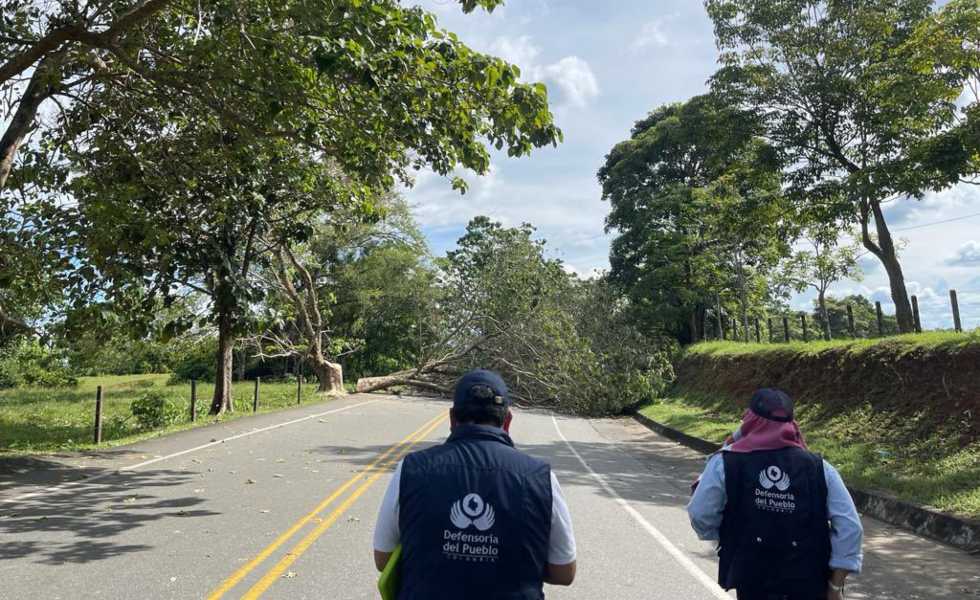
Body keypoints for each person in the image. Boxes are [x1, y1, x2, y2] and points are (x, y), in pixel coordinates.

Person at [373, 369, 577, 599]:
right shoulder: (541, 478)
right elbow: (564, 573)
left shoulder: (410, 469)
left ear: (452, 419)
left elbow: (383, 558)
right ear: (507, 421)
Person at [687, 388, 863, 600]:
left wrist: (724, 537)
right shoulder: (820, 469)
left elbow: (700, 513)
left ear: (749, 420)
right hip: (808, 583)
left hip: (753, 580)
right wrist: (835, 587)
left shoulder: (725, 463)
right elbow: (850, 527)